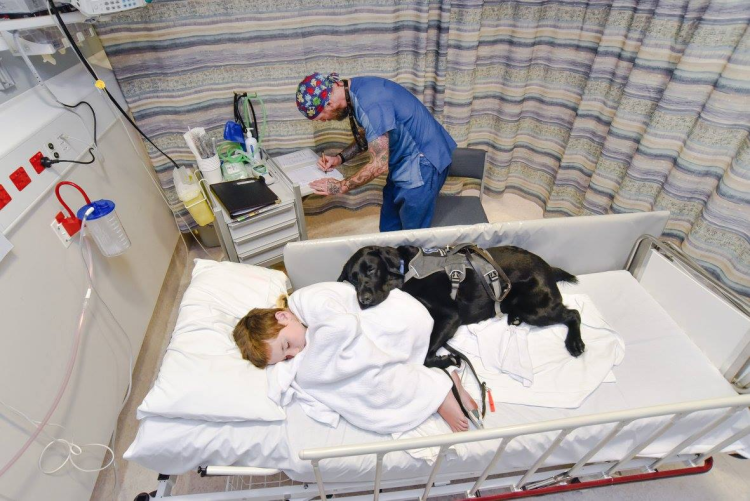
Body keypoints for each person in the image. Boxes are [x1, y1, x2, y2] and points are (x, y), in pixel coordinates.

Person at [233, 297, 478, 432]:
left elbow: (344, 324)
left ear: (283, 317)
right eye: (286, 358)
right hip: (360, 346)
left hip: (391, 320)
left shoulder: (306, 301)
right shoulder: (300, 338)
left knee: (374, 376)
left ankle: (440, 391)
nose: (296, 353)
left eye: (288, 346)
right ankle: (442, 381)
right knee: (363, 388)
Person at [295, 73, 457, 231]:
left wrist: (339, 187)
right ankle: (391, 255)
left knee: (413, 237)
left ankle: (415, 256)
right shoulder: (356, 90)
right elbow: (374, 134)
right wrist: (339, 158)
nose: (325, 120)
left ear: (328, 103)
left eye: (322, 117)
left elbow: (379, 164)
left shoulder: (370, 102)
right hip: (402, 162)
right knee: (389, 226)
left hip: (423, 163)